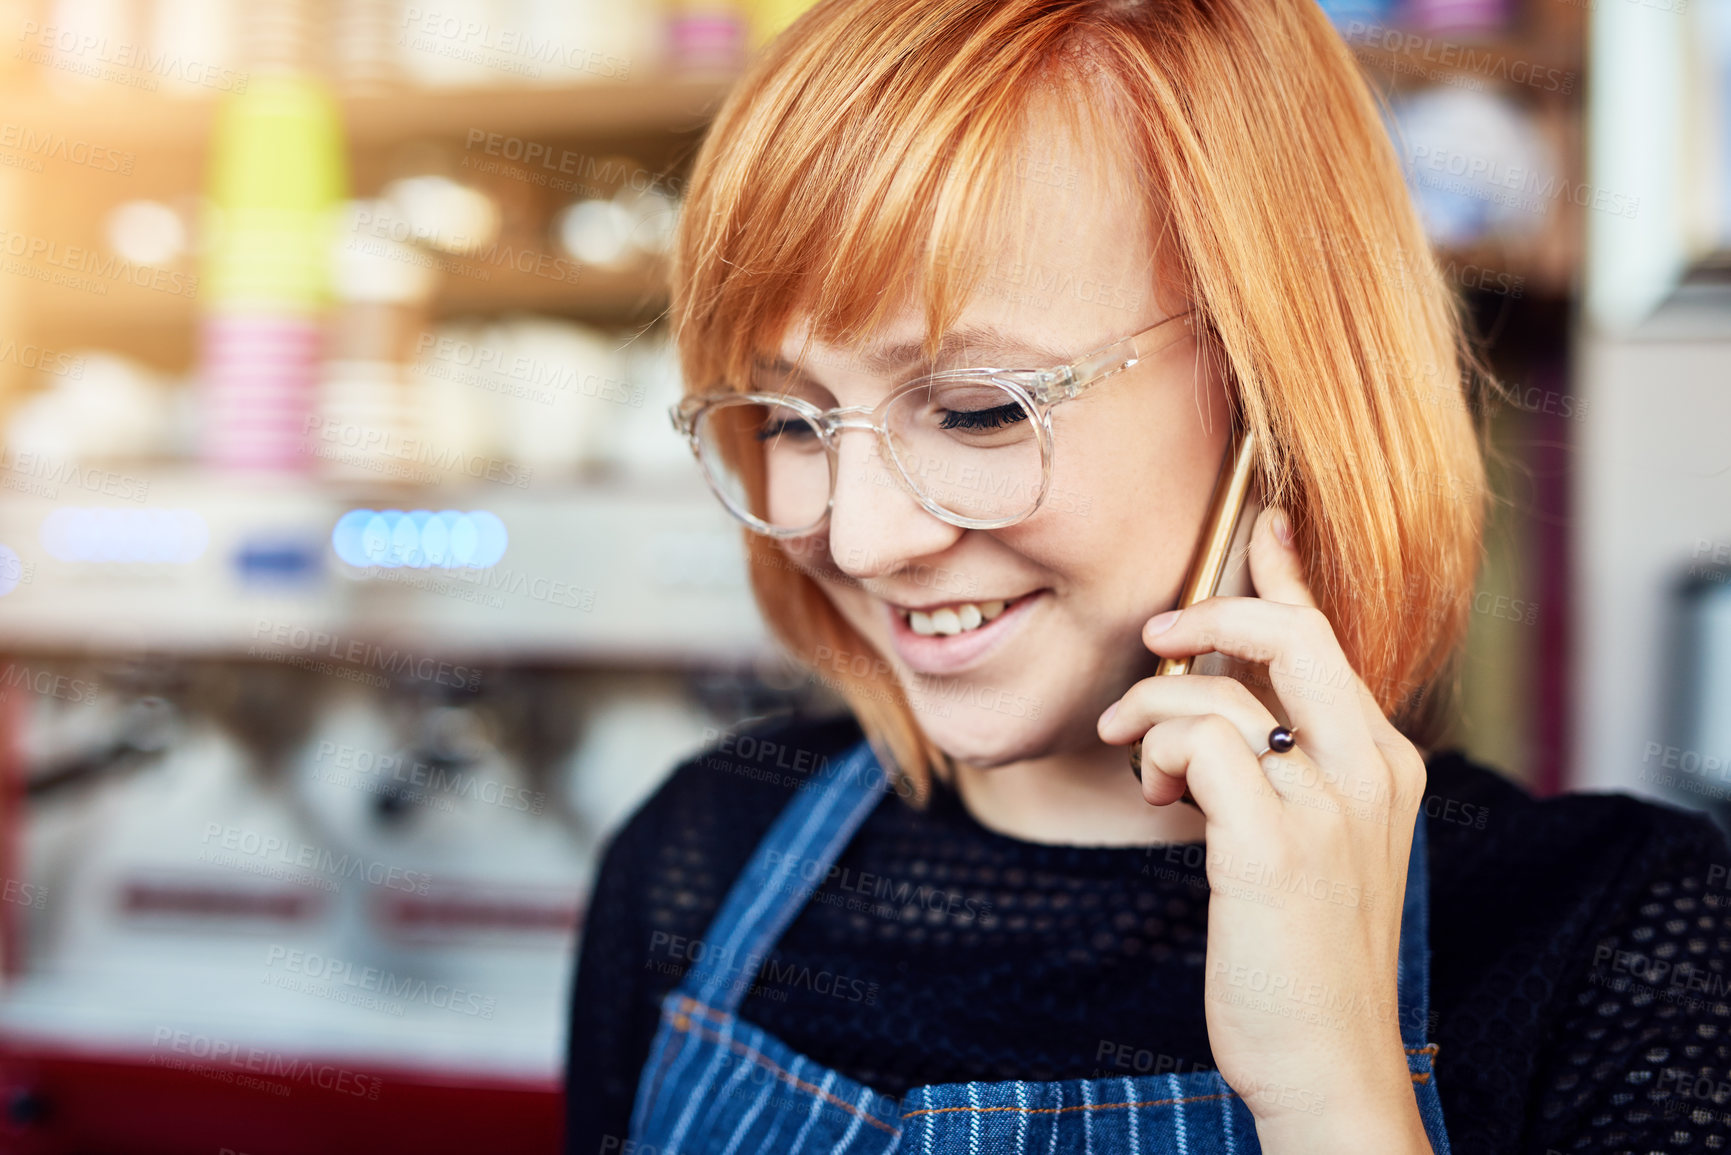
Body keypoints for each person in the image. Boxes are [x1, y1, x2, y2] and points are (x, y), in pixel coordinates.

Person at [565, 0, 1731, 1151]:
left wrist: (1335, 1093)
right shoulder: (692, 857)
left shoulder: (1628, 943)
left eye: (979, 409)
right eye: (793, 422)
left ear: (1277, 384)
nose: (862, 541)